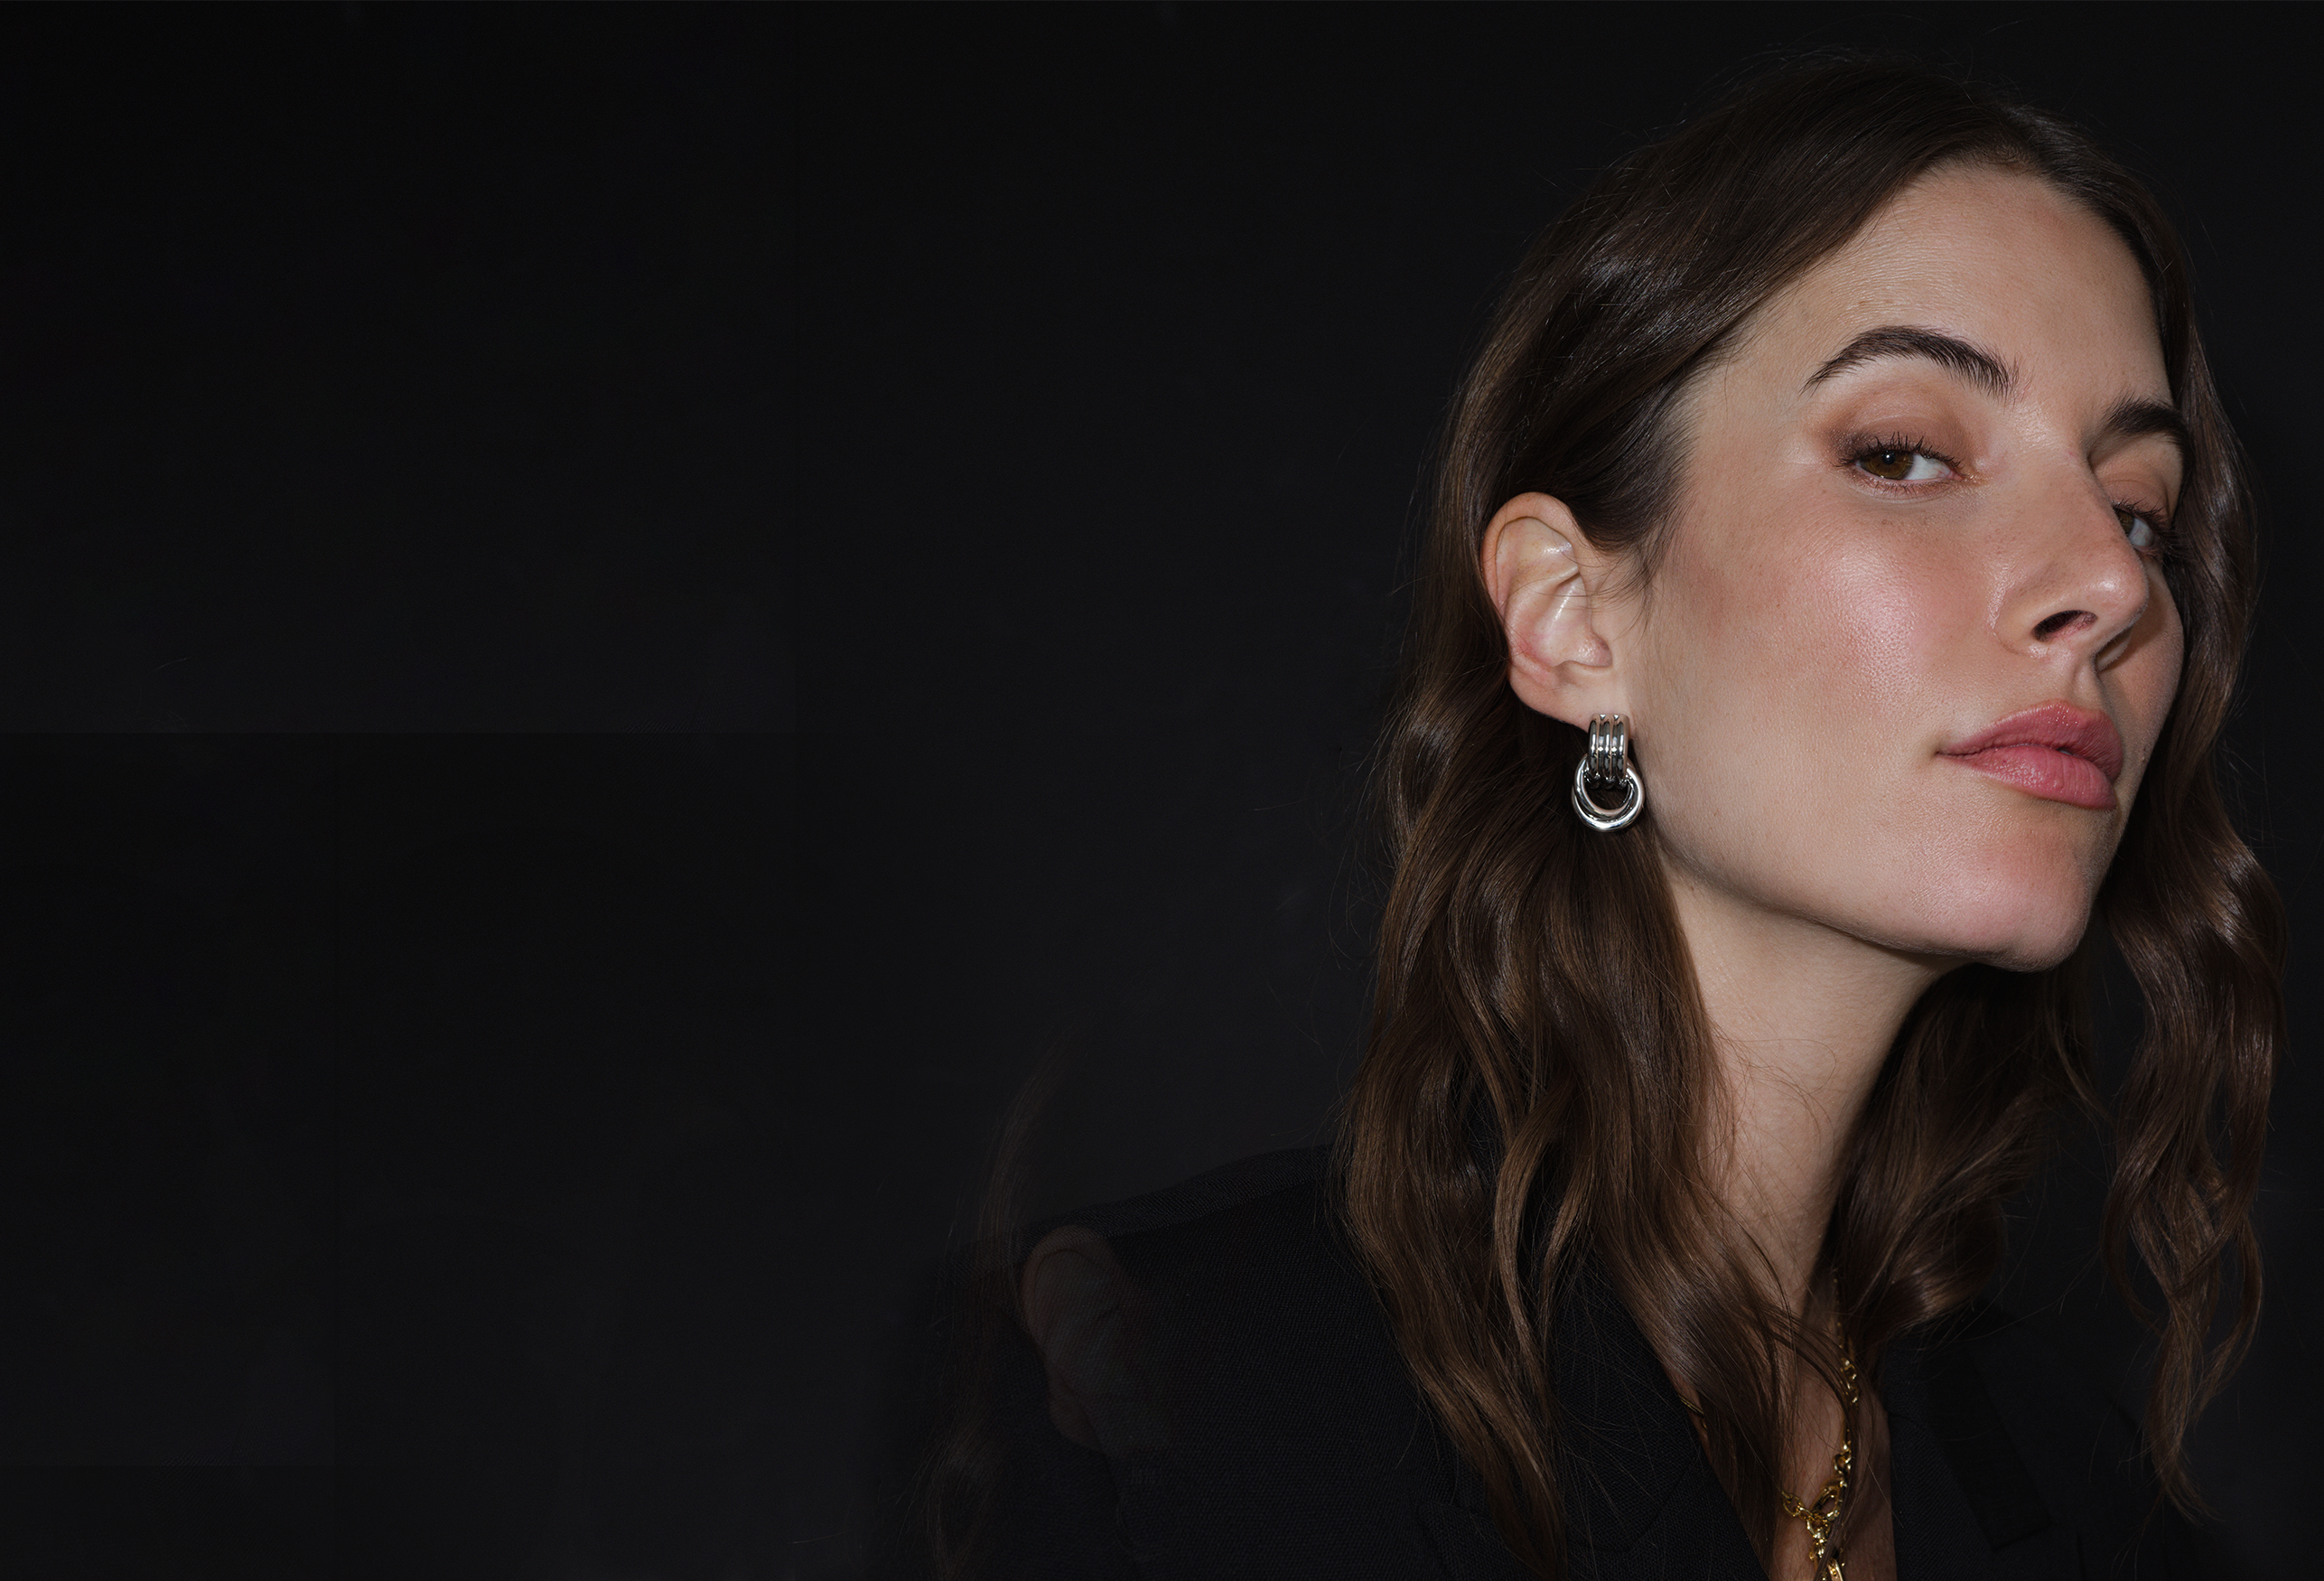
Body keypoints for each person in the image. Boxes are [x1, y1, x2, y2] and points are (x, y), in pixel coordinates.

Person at [901, 53, 2283, 1581]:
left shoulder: (2095, 1506)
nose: (2110, 582)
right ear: (1572, 621)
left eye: (2141, 507)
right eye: (1905, 452)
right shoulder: (1152, 1423)